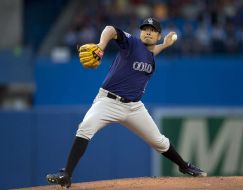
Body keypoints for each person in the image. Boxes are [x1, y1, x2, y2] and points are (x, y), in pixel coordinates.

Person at [46, 17, 207, 188]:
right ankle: (66, 174)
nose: (148, 32)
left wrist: (166, 45)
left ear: (158, 35)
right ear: (140, 32)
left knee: (159, 141)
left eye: (152, 30)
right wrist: (100, 46)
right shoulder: (131, 43)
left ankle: (184, 166)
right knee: (85, 127)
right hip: (108, 102)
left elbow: (152, 52)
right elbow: (110, 29)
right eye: (145, 29)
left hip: (134, 108)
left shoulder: (150, 54)